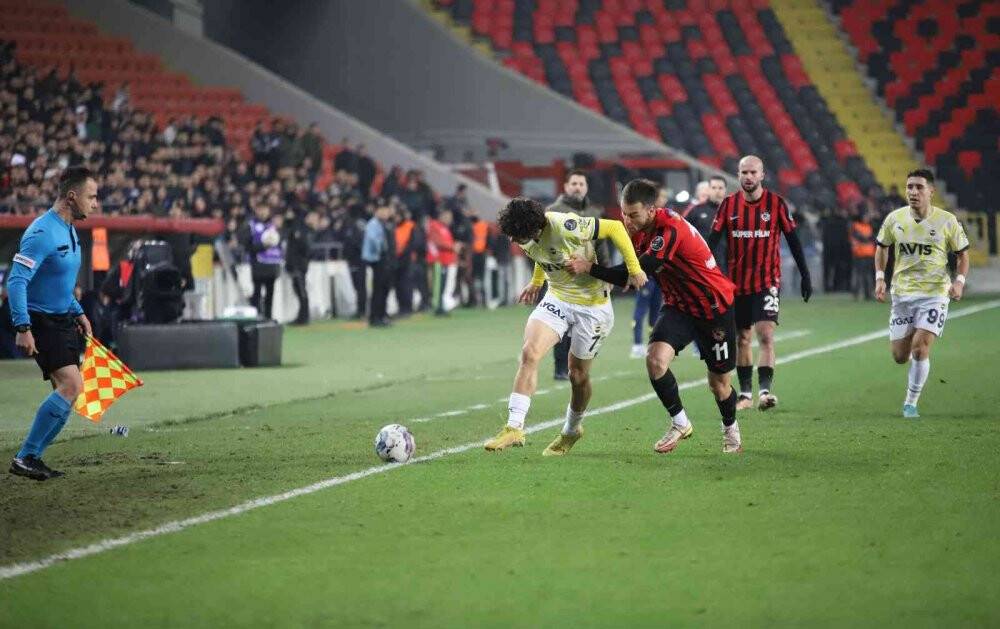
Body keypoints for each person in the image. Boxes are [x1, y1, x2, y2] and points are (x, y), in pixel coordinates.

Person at [569, 179, 742, 454]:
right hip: (679, 307)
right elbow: (631, 272)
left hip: (713, 307)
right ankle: (680, 422)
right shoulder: (636, 229)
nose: (627, 220)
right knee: (655, 360)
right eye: (624, 213)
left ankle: (730, 428)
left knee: (719, 385)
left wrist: (590, 268)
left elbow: (639, 270)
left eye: (633, 214)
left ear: (651, 210)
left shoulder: (669, 229)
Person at [484, 197, 645, 455]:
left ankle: (572, 429)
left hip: (593, 307)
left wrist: (634, 268)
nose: (512, 241)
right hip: (557, 298)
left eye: (516, 235)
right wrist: (537, 282)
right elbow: (542, 254)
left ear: (533, 229)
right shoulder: (527, 236)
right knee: (529, 353)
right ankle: (514, 427)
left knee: (577, 376)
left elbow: (615, 227)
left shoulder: (565, 225)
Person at [6, 166, 97, 480]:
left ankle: (31, 457)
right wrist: (23, 327)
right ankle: (25, 457)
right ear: (72, 197)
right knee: (71, 385)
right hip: (41, 321)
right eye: (92, 196)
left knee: (69, 389)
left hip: (62, 319)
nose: (95, 203)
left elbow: (57, 284)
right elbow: (16, 282)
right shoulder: (42, 232)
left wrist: (79, 311)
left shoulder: (70, 228)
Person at [707, 155, 812, 412]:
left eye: (753, 172)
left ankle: (765, 392)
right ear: (739, 175)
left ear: (762, 175)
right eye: (744, 172)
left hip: (767, 281)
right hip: (736, 285)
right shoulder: (728, 205)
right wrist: (704, 275)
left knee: (765, 334)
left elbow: (793, 239)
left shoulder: (775, 203)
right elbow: (710, 243)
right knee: (742, 338)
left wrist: (805, 274)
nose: (748, 177)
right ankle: (745, 394)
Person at [875, 169, 969, 418]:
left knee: (920, 347)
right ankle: (913, 380)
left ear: (931, 191)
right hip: (902, 295)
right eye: (909, 187)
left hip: (935, 294)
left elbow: (962, 255)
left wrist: (959, 282)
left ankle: (911, 403)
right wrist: (880, 278)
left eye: (918, 187)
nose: (913, 192)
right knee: (899, 356)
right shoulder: (894, 219)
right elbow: (882, 248)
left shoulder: (947, 221)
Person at [546, 169, 604, 380]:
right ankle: (560, 367)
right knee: (561, 324)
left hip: (588, 279)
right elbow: (544, 244)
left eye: (581, 184)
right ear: (566, 187)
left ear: (586, 187)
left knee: (583, 326)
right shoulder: (553, 211)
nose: (577, 187)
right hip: (561, 279)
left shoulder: (594, 212)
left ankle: (577, 367)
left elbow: (601, 245)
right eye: (574, 183)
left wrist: (605, 274)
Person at [242, 205, 284, 320]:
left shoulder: (273, 226)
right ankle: (257, 317)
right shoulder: (250, 226)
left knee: (270, 293)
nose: (263, 212)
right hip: (258, 265)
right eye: (261, 209)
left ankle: (268, 317)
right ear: (256, 210)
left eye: (265, 209)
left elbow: (280, 244)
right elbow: (247, 246)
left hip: (272, 265)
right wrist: (263, 246)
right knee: (257, 292)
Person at [362, 200, 395, 327]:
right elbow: (375, 242)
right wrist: (383, 250)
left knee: (384, 289)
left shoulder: (385, 224)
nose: (386, 213)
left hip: (384, 261)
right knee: (377, 290)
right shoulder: (373, 224)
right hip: (375, 261)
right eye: (383, 210)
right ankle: (375, 317)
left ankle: (382, 315)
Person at [850, 208, 877, 301]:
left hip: (869, 254)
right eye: (866, 216)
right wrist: (867, 239)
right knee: (859, 275)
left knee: (867, 275)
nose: (867, 218)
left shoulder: (869, 227)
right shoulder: (856, 226)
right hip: (859, 254)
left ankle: (867, 294)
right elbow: (860, 238)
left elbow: (872, 238)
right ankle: (856, 294)